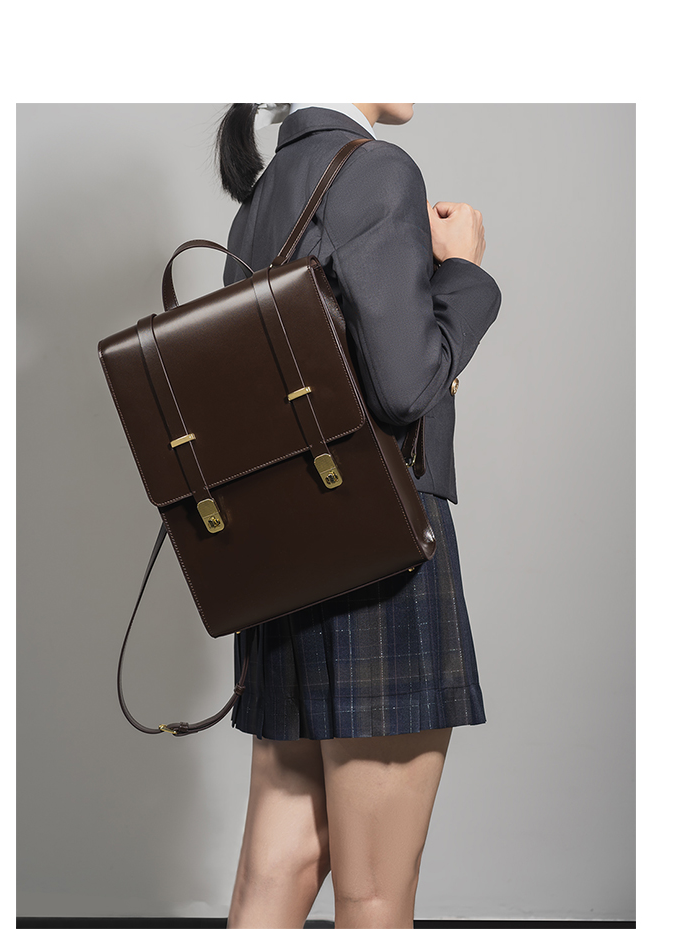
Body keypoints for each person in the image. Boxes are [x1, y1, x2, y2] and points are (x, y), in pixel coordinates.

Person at [214, 103, 501, 930]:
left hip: (288, 563)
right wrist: (464, 272)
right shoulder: (375, 170)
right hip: (381, 553)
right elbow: (405, 388)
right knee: (375, 894)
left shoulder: (266, 191)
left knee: (273, 877)